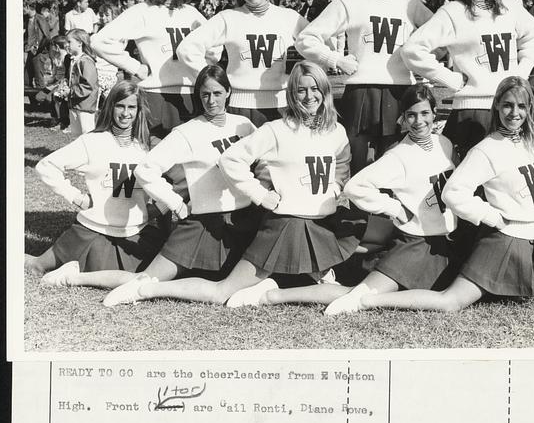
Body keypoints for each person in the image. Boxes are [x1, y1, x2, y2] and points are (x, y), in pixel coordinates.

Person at [101, 61, 362, 308]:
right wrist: (177, 203)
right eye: (301, 90)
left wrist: (334, 189)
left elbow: (334, 161)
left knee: (309, 280)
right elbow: (228, 161)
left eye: (315, 88)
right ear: (292, 94)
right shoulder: (265, 129)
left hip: (251, 220)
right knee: (172, 281)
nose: (308, 96)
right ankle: (139, 289)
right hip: (220, 222)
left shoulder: (249, 124)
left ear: (228, 92)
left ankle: (268, 291)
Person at [358, 76, 534, 313]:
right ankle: (370, 301)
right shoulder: (486, 149)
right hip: (507, 236)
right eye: (508, 105)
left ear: (529, 108)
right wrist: (491, 216)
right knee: (451, 301)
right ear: (497, 107)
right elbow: (453, 193)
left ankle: (505, 282)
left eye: (521, 106)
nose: (514, 113)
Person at [102, 65, 263, 307]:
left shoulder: (243, 125)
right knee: (145, 277)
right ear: (198, 95)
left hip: (246, 220)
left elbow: (266, 161)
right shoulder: (187, 132)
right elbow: (146, 169)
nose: (211, 100)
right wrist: (176, 203)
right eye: (205, 94)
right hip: (204, 223)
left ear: (228, 92)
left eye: (217, 93)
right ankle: (72, 277)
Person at [296, 0, 433, 174]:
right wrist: (335, 59)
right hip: (360, 93)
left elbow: (442, 36)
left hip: (399, 92)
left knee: (395, 170)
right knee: (359, 170)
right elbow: (306, 39)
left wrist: (423, 61)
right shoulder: (349, 0)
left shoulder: (410, 3)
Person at [319, 83, 459, 315]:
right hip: (417, 242)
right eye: (411, 115)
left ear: (435, 113)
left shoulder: (443, 144)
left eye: (425, 113)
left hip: (447, 241)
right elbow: (355, 187)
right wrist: (396, 208)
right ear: (402, 118)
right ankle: (276, 291)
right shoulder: (397, 155)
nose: (419, 121)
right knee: (359, 294)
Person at [401, 0, 534, 161]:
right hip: (473, 111)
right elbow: (412, 49)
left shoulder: (510, 5)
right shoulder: (452, 12)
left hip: (510, 108)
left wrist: (520, 74)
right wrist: (451, 79)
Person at [24, 81, 165, 286]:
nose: (125, 113)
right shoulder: (92, 142)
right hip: (91, 231)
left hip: (134, 233)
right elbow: (46, 166)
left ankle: (71, 276)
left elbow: (176, 180)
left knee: (145, 278)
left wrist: (158, 208)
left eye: (131, 107)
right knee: (37, 265)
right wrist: (76, 197)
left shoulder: (147, 145)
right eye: (120, 106)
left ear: (139, 110)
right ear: (110, 107)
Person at [91, 0, 207, 143]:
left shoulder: (192, 14)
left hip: (190, 97)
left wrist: (200, 73)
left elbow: (213, 49)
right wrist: (135, 67)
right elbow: (99, 41)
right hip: (155, 98)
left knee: (190, 163)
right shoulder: (141, 11)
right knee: (153, 161)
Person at [176, 0, 307, 127]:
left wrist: (305, 78)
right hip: (239, 110)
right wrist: (212, 82)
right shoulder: (228, 18)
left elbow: (319, 42)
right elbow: (186, 49)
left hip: (282, 107)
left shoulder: (289, 17)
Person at [65, 28, 99, 136]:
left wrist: (70, 92)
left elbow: (88, 85)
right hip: (75, 104)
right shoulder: (74, 60)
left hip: (85, 106)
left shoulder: (86, 61)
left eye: (69, 42)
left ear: (80, 43)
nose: (66, 45)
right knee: (76, 135)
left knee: (87, 135)